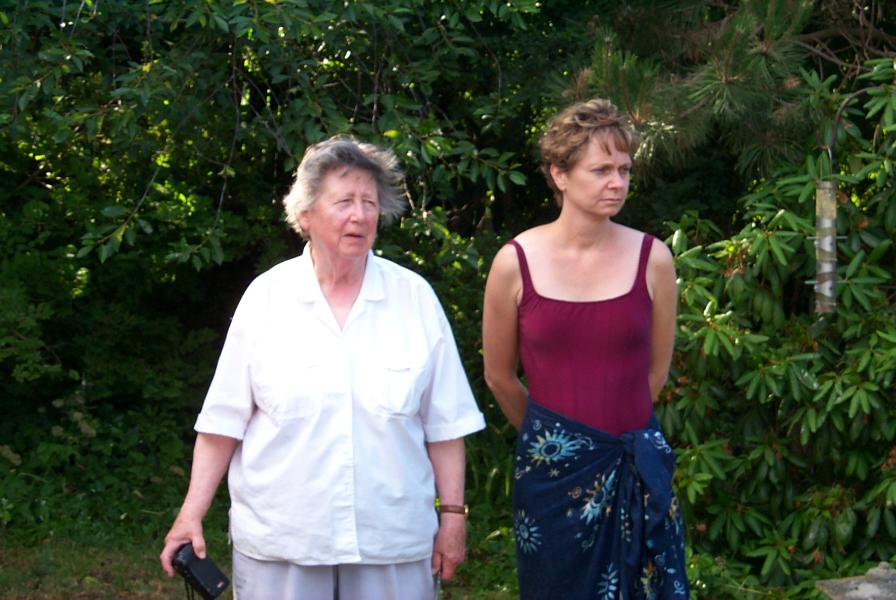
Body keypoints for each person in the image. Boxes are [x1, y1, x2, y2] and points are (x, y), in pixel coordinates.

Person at [159, 135, 486, 599]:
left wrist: (452, 516)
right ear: (305, 215)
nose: (360, 215)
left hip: (390, 542)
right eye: (344, 201)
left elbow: (446, 425)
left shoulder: (414, 298)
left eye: (369, 203)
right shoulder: (266, 298)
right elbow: (222, 423)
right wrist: (190, 513)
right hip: (282, 542)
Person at [482, 99, 689, 599]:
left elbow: (655, 373)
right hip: (550, 483)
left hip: (636, 473)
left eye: (624, 170)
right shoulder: (514, 262)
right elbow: (499, 376)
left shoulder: (653, 259)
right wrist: (556, 442)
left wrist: (612, 437)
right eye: (601, 170)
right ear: (560, 174)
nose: (617, 183)